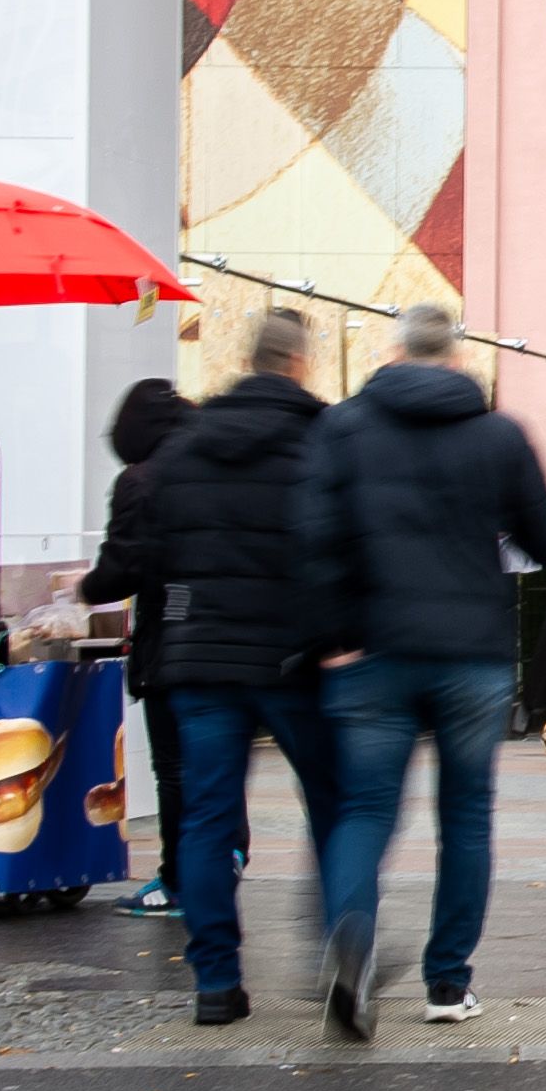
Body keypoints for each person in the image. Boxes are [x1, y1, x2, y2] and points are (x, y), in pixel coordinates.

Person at [293, 301, 546, 1039]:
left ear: (393, 352)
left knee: (364, 810)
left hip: (372, 654)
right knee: (466, 817)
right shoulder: (499, 433)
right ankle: (448, 983)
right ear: (456, 358)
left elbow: (312, 540)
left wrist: (334, 639)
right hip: (472, 658)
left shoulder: (342, 427)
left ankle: (349, 941)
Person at [139, 310, 337, 1027]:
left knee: (206, 819)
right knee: (334, 805)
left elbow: (152, 554)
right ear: (295, 364)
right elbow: (333, 551)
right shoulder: (320, 444)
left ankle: (216, 982)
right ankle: (335, 955)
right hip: (292, 659)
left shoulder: (186, 449)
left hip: (199, 657)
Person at [77, 376, 193, 915]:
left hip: (173, 638)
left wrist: (80, 591)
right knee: (213, 762)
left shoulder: (142, 481)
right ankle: (227, 854)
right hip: (242, 637)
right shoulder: (215, 458)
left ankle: (178, 880)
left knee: (172, 768)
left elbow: (122, 568)